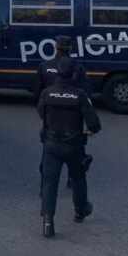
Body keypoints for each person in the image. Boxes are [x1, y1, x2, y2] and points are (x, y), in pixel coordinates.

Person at [37, 58, 102, 238]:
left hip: (51, 144)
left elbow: (40, 112)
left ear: (57, 73)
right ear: (74, 74)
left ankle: (48, 221)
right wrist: (90, 131)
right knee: (78, 178)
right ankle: (80, 211)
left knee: (50, 182)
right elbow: (94, 123)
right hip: (74, 145)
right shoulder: (80, 95)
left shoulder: (47, 93)